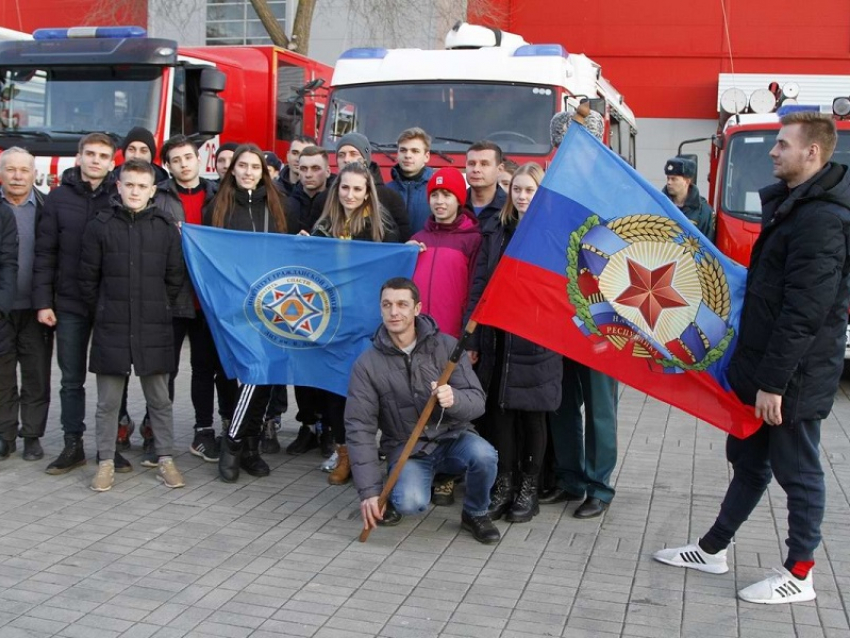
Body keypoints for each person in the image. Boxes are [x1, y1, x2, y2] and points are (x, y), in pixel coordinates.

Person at [654, 111, 850, 604]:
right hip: (770, 369)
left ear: (813, 153)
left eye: (782, 144)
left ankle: (800, 574)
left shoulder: (822, 219)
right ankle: (713, 549)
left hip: (793, 378)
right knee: (748, 460)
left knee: (798, 470)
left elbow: (804, 312)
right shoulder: (796, 206)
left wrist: (774, 384)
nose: (772, 151)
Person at [347, 277, 501, 544]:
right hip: (407, 446)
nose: (394, 312)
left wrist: (453, 398)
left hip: (452, 437)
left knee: (485, 455)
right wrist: (370, 493)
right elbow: (359, 428)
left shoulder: (447, 346)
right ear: (380, 309)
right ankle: (397, 489)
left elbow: (477, 402)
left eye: (402, 304)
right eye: (387, 305)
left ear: (417, 308)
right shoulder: (367, 364)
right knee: (411, 503)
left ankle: (475, 513)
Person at [78, 159, 185, 492]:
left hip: (154, 325)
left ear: (152, 190)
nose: (135, 191)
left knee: (161, 400)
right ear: (118, 186)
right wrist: (105, 309)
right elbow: (87, 279)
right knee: (108, 403)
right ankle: (106, 461)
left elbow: (174, 277)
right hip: (112, 325)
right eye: (129, 185)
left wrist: (158, 306)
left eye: (142, 186)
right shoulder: (100, 225)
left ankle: (165, 458)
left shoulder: (165, 226)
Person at [465, 163, 562, 523]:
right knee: (500, 414)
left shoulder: (551, 235)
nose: (522, 196)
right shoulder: (496, 231)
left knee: (532, 416)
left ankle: (529, 487)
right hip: (497, 340)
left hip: (536, 342)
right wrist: (473, 336)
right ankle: (503, 484)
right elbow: (479, 287)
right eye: (517, 190)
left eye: (529, 190)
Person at [33, 133, 124, 475]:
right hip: (68, 304)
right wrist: (44, 301)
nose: (96, 160)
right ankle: (73, 444)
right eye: (91, 154)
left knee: (113, 379)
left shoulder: (119, 197)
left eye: (103, 155)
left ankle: (110, 447)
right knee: (71, 379)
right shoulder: (57, 200)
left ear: (112, 161)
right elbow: (45, 254)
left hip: (108, 305)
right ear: (79, 157)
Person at [541, 121, 619, 520]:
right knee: (563, 402)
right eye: (561, 144)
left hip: (602, 319)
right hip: (561, 315)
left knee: (600, 407)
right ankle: (570, 477)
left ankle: (600, 486)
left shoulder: (614, 191)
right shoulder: (552, 189)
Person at [205, 144, 297, 483]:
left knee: (266, 377)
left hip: (272, 307)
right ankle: (231, 442)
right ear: (232, 170)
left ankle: (250, 447)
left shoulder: (279, 206)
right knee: (249, 376)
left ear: (264, 172)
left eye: (254, 167)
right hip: (233, 307)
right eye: (241, 166)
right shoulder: (217, 206)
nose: (247, 172)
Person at [310, 161, 401, 482]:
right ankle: (344, 454)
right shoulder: (323, 226)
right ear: (337, 190)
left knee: (365, 391)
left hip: (367, 324)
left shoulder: (382, 228)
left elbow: (395, 269)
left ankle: (367, 454)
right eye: (345, 187)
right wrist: (302, 246)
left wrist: (411, 251)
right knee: (335, 390)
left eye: (357, 189)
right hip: (332, 324)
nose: (350, 194)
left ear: (367, 193)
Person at [154, 134, 235, 463]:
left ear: (199, 159)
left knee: (210, 367)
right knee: (165, 370)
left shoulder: (219, 194)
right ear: (168, 166)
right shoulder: (159, 198)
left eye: (188, 157)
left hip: (209, 300)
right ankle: (157, 434)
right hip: (171, 299)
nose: (184, 164)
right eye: (176, 160)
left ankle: (212, 430)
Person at [0, 148, 51, 462]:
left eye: (24, 170)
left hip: (36, 308)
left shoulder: (47, 207)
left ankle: (32, 436)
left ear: (35, 174)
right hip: (1, 309)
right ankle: (5, 435)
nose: (17, 176)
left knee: (36, 375)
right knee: (2, 375)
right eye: (10, 170)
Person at [283, 145, 333, 458]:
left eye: (316, 168)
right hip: (296, 295)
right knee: (301, 361)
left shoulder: (336, 199)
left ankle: (328, 427)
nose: (310, 174)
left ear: (328, 170)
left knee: (326, 361)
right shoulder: (288, 202)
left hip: (329, 294)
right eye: (304, 169)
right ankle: (306, 425)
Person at [408, 167, 481, 339]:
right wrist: (406, 254)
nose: (439, 201)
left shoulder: (472, 239)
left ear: (459, 200)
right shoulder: (417, 239)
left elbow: (475, 291)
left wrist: (469, 338)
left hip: (452, 334)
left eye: (447, 195)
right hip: (418, 333)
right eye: (434, 195)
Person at [306, 133, 411, 241]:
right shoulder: (323, 211)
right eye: (341, 155)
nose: (346, 159)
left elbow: (400, 247)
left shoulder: (388, 209)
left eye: (353, 154)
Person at [387, 127, 434, 234]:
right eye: (403, 150)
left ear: (426, 156)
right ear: (397, 154)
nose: (408, 155)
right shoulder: (385, 191)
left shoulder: (436, 192)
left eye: (415, 151)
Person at [663, 156, 716, 241]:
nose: (669, 182)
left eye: (674, 179)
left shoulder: (703, 211)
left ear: (687, 181)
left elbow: (708, 246)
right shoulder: (659, 204)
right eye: (668, 178)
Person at [287, 145, 332, 233]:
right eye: (303, 169)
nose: (308, 175)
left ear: (328, 172)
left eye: (315, 169)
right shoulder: (287, 204)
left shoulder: (337, 204)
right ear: (298, 173)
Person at [463, 140, 507, 226]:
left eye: (484, 164)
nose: (476, 169)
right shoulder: (455, 205)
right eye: (471, 164)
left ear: (500, 169)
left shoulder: (510, 209)